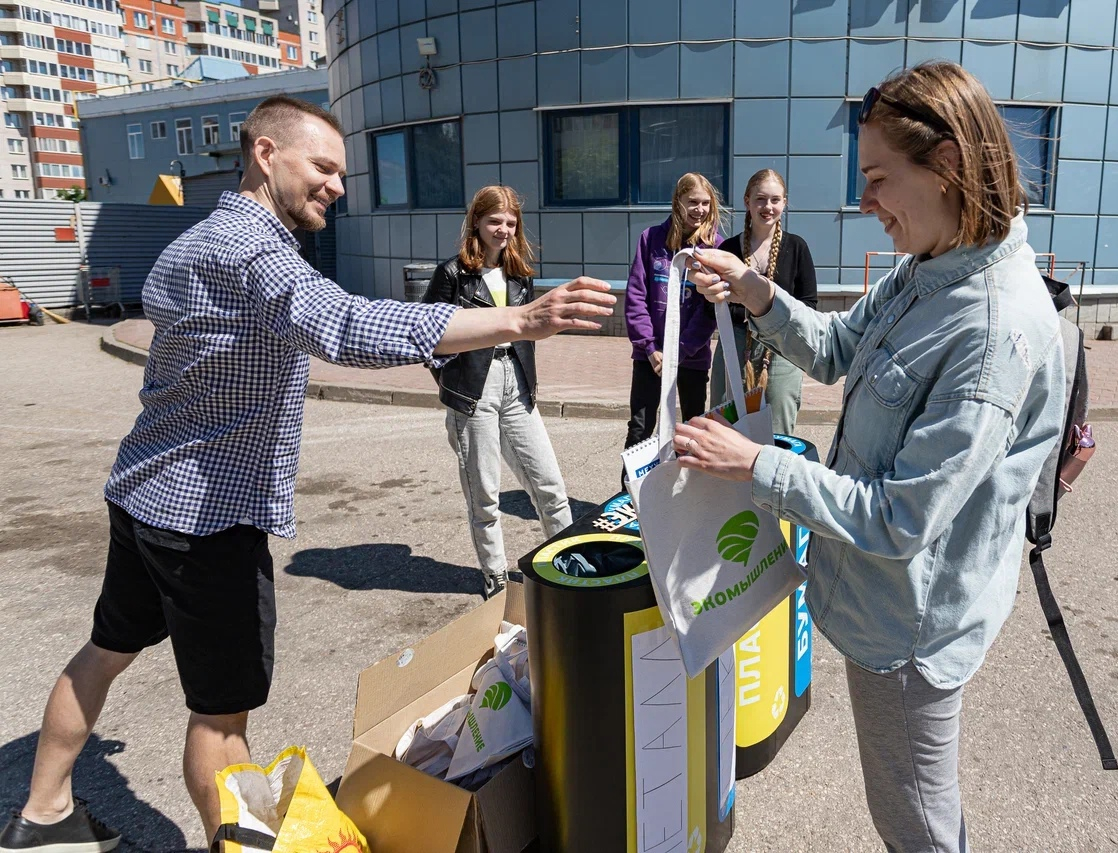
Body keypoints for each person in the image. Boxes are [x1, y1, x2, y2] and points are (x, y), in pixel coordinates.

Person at [0, 96, 613, 853]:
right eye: (323, 167)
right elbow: (347, 326)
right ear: (265, 153)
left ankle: (42, 813)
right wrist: (517, 321)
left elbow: (169, 317)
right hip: (209, 523)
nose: (338, 186)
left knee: (104, 651)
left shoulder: (190, 244)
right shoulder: (259, 253)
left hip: (144, 494)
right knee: (222, 724)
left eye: (342, 173)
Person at [677, 60, 1067, 852]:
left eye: (879, 177)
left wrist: (755, 466)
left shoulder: (992, 329)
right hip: (880, 605)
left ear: (948, 166)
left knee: (913, 823)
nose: (865, 202)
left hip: (908, 632)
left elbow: (900, 519)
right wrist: (754, 290)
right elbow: (833, 347)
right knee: (922, 804)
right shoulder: (929, 265)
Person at [424, 186, 573, 602]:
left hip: (517, 386)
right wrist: (452, 384)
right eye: (495, 221)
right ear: (477, 222)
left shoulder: (520, 273)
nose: (503, 230)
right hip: (475, 390)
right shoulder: (452, 274)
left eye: (510, 223)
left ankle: (567, 568)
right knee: (485, 496)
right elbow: (429, 337)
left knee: (550, 487)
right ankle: (495, 579)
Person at [622, 173, 724, 472]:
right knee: (641, 427)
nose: (700, 209)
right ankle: (631, 496)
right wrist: (650, 347)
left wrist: (680, 351)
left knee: (693, 427)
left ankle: (689, 496)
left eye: (706, 203)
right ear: (677, 202)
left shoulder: (716, 247)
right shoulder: (650, 239)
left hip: (691, 357)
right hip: (649, 356)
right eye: (692, 201)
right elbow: (636, 295)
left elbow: (709, 311)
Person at [708, 169, 817, 435]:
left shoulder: (797, 247)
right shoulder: (728, 251)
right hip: (735, 343)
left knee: (778, 420)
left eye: (775, 200)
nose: (767, 207)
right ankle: (727, 477)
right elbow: (714, 303)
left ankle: (774, 476)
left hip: (782, 347)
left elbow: (809, 303)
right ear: (747, 201)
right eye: (760, 199)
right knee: (728, 422)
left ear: (784, 203)